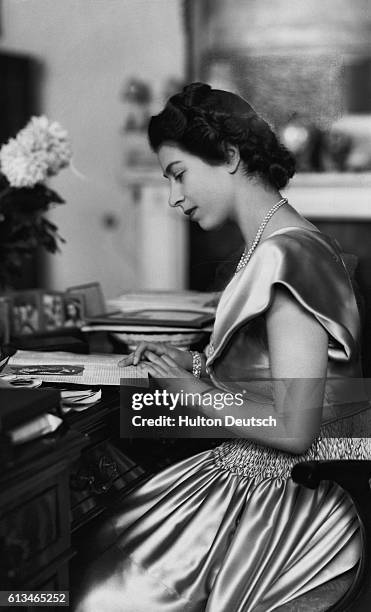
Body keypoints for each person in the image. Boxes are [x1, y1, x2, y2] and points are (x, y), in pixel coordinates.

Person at [76, 83, 371, 611]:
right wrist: (195, 367)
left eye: (179, 174)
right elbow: (275, 374)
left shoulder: (290, 258)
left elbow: (296, 427)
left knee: (90, 588)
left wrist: (189, 391)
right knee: (92, 548)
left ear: (230, 156)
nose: (174, 198)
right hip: (246, 482)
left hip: (280, 508)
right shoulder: (268, 247)